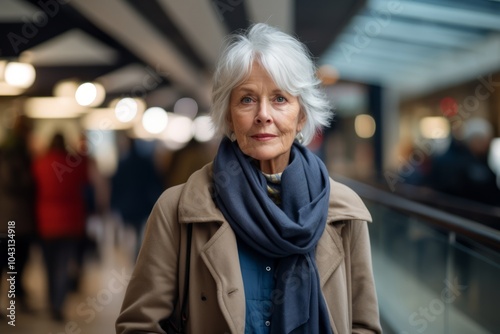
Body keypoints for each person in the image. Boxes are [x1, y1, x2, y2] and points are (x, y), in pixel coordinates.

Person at [116, 23, 381, 334]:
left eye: (280, 98)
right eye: (246, 99)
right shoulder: (177, 209)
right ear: (229, 115)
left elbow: (363, 325)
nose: (263, 114)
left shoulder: (344, 210)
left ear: (302, 115)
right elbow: (139, 326)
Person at [32, 132, 89, 321]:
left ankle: (51, 302)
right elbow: (86, 181)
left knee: (48, 265)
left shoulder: (40, 163)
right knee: (64, 266)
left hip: (45, 223)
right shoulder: (73, 164)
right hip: (70, 222)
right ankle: (58, 304)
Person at [0, 115, 37, 313]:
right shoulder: (13, 153)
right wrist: (30, 181)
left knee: (15, 264)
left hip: (13, 218)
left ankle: (16, 300)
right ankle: (14, 303)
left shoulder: (13, 151)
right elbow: (12, 182)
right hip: (11, 219)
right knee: (13, 263)